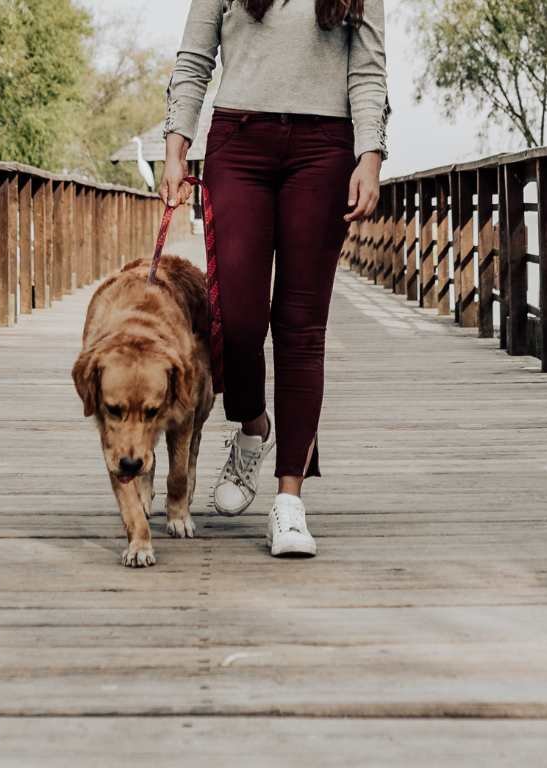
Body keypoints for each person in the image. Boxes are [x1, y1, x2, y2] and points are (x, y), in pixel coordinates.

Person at [160, 0, 388, 558]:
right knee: (235, 317)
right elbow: (194, 59)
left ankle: (290, 501)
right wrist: (175, 147)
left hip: (325, 149)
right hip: (239, 143)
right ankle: (253, 423)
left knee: (301, 328)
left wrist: (371, 156)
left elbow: (368, 69)